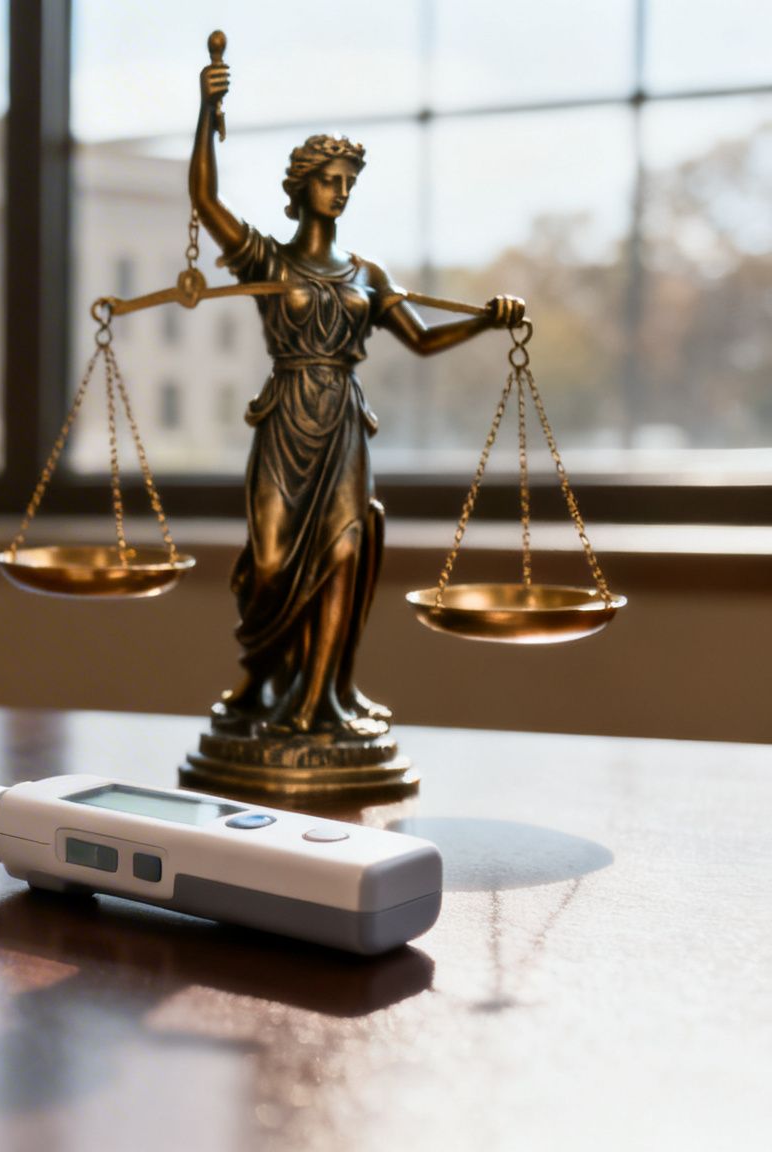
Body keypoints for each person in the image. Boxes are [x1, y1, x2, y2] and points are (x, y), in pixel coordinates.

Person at [191, 56, 524, 737]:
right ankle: (264, 683)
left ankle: (319, 702)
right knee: (274, 561)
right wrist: (206, 113)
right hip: (285, 421)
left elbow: (422, 342)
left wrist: (487, 321)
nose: (340, 192)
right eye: (329, 181)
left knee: (344, 548)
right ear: (302, 188)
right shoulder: (266, 260)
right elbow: (205, 202)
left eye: (349, 183)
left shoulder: (368, 272)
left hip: (342, 420)